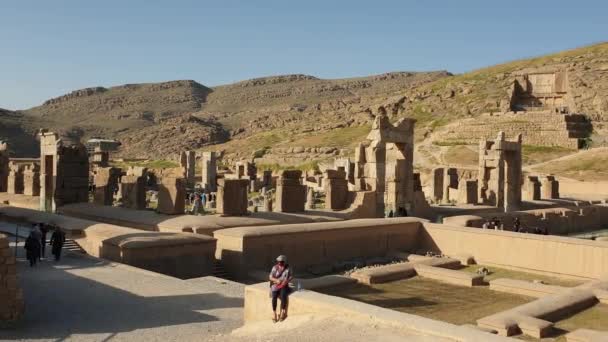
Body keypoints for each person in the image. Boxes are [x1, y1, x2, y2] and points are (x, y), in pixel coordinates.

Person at [269, 255, 293, 323]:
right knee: (274, 297)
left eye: (281, 262)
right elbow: (270, 277)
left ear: (284, 262)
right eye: (279, 261)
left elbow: (291, 276)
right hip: (276, 284)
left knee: (283, 295)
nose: (280, 263)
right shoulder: (275, 268)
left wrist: (287, 281)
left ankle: (282, 311)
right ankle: (274, 313)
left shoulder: (288, 268)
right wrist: (276, 280)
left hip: (283, 285)